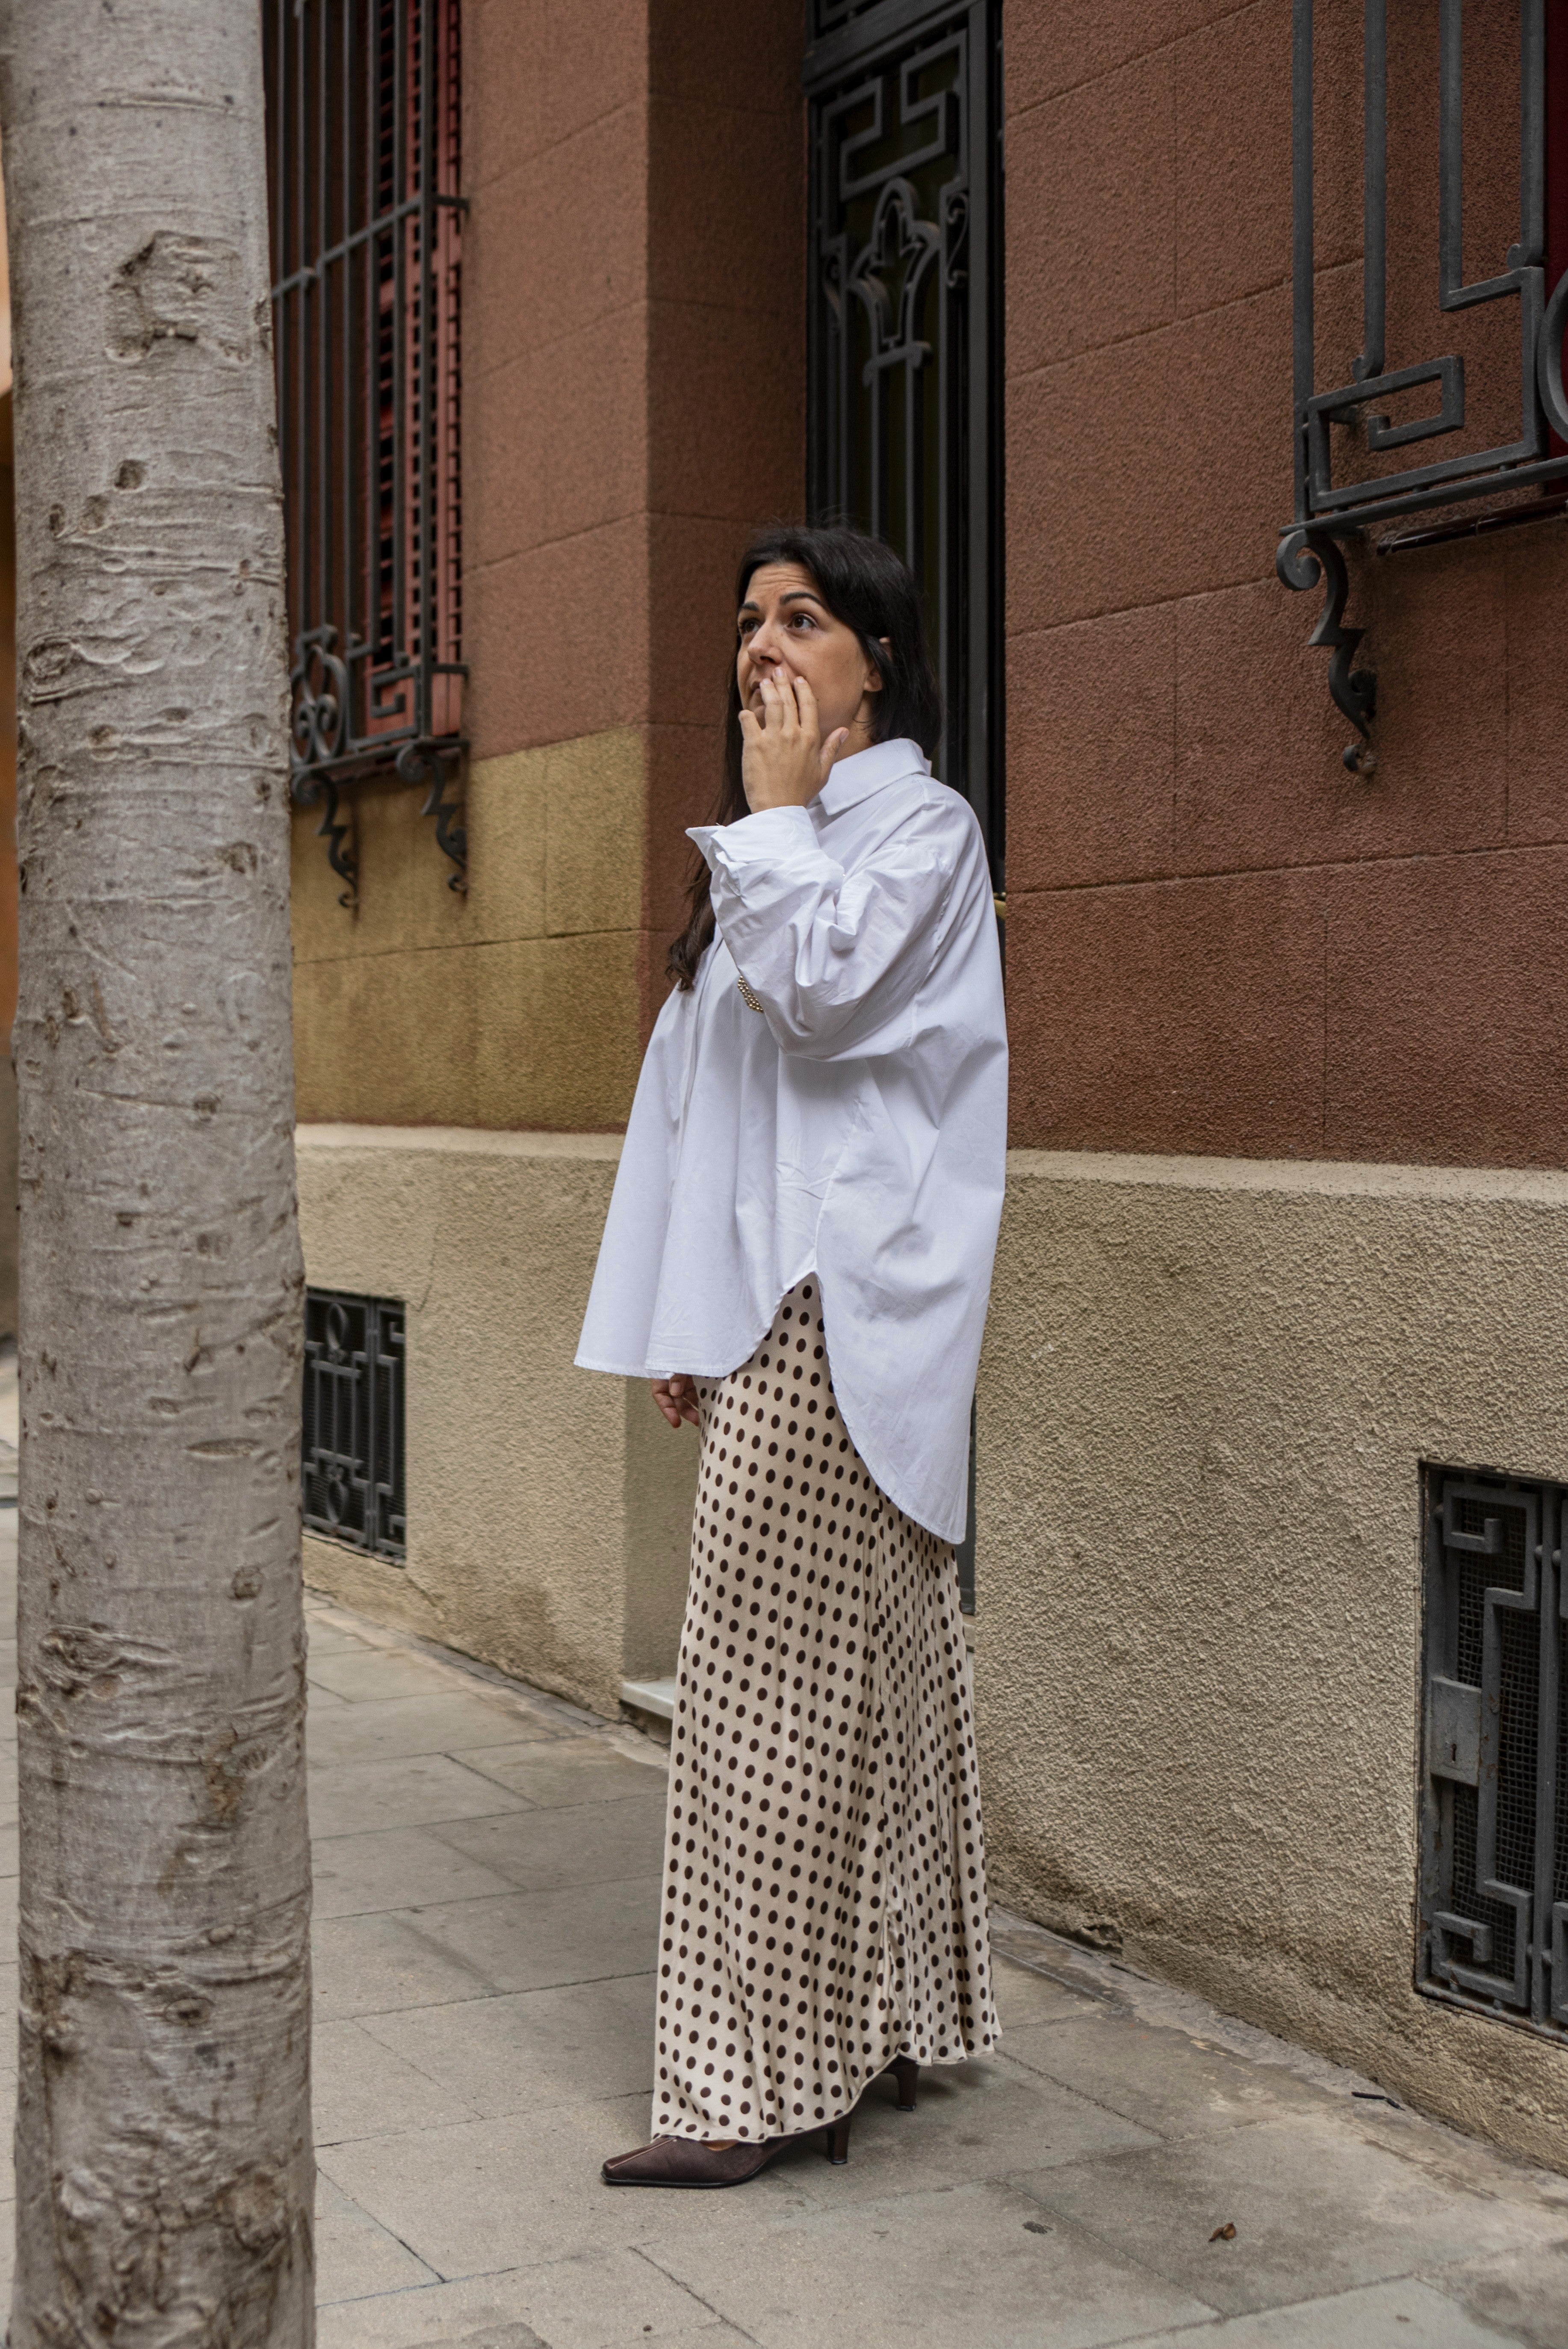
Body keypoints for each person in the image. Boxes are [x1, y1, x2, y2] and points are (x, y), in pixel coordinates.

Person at [576, 523, 1008, 2187]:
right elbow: (708, 1107)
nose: (761, 646)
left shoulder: (909, 834)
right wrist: (690, 1313)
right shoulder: (775, 845)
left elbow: (822, 1005)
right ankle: (873, 2029)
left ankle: (746, 2087)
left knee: (756, 1703)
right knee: (873, 1680)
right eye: (747, 618)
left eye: (803, 620)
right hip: (774, 1313)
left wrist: (768, 821)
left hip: (843, 1315)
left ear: (875, 663)